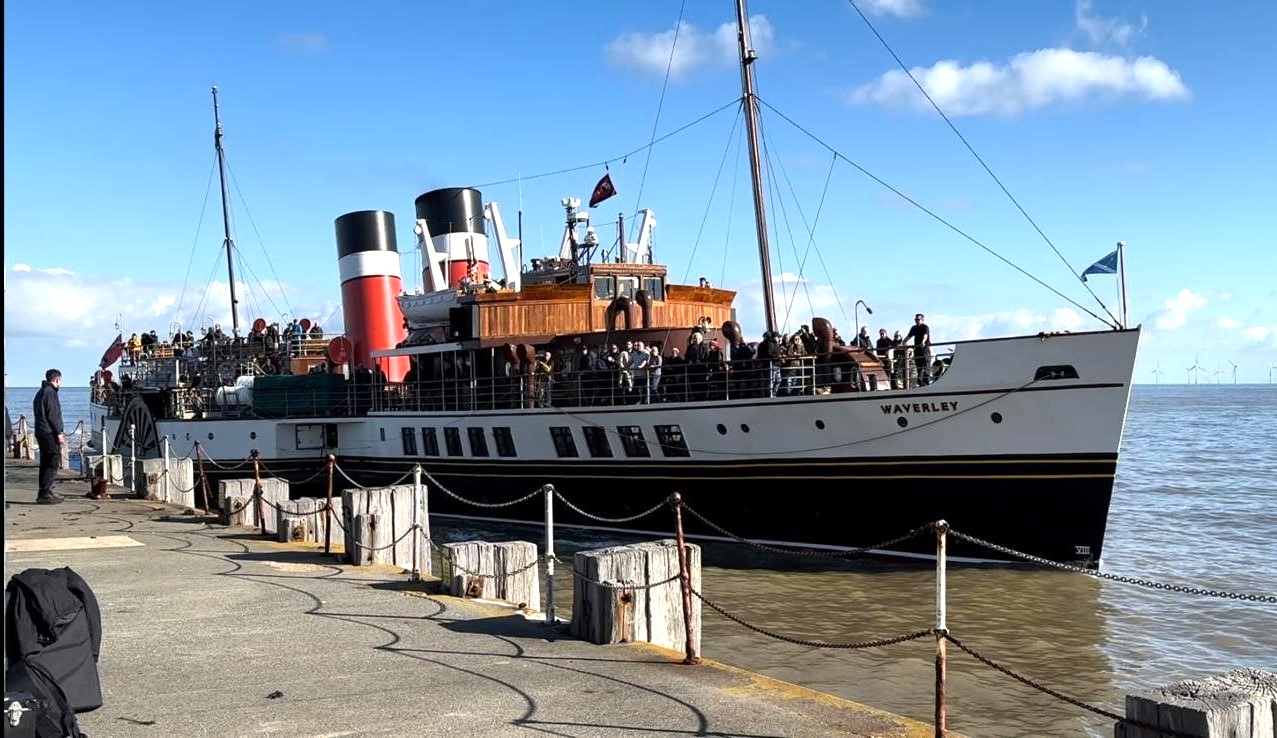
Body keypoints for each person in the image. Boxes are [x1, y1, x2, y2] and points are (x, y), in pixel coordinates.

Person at [33, 368, 65, 504]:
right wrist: (59, 433)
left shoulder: (40, 393)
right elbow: (53, 415)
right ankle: (45, 492)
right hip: (48, 432)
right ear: (56, 380)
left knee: (45, 461)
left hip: (41, 430)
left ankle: (45, 490)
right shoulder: (50, 393)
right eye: (60, 381)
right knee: (52, 460)